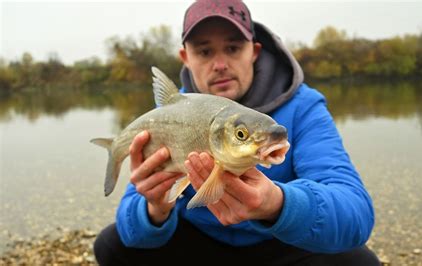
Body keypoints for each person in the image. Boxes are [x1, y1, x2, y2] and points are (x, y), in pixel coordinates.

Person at [94, 0, 380, 265]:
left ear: (253, 52)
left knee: (359, 261)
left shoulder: (303, 107)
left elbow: (355, 212)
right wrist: (155, 208)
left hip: (279, 240)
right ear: (186, 58)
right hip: (198, 242)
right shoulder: (170, 115)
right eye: (204, 51)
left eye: (232, 48)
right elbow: (130, 228)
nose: (220, 64)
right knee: (110, 245)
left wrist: (276, 205)